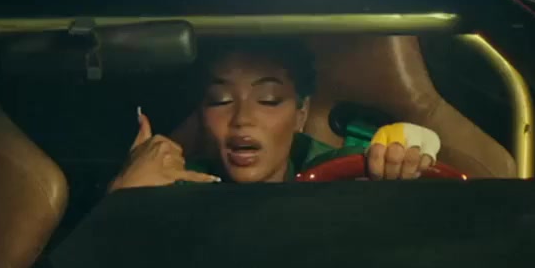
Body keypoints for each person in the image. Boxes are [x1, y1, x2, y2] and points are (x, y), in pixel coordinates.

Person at [108, 39, 436, 191]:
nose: (242, 119)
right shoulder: (173, 188)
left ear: (300, 114)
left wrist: (407, 156)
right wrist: (125, 196)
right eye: (220, 101)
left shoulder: (343, 174)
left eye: (268, 100)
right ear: (201, 116)